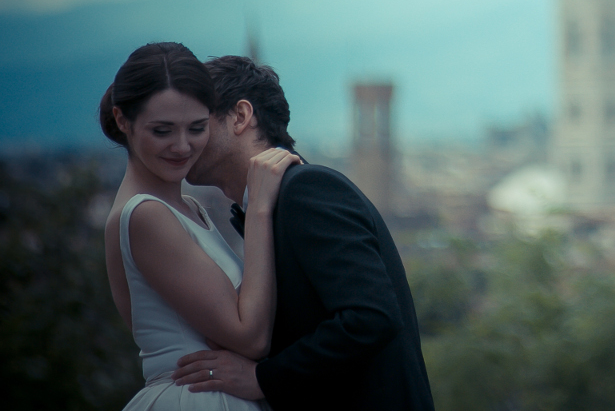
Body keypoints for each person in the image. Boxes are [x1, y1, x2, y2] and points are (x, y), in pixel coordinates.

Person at [173, 56, 435, 411]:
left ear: (240, 117)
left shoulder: (306, 189)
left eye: (196, 125)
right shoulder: (266, 208)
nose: (181, 143)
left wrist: (263, 378)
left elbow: (371, 317)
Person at [101, 42, 299, 410]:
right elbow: (250, 338)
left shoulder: (186, 208)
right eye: (162, 131)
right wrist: (257, 208)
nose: (182, 146)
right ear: (123, 119)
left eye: (196, 128)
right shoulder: (145, 214)